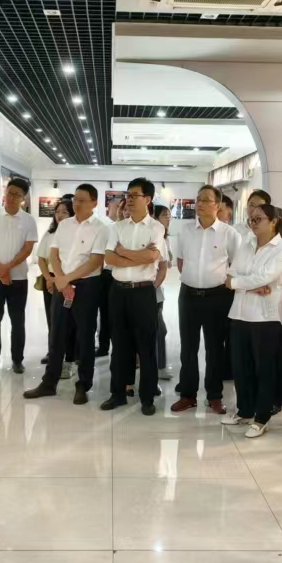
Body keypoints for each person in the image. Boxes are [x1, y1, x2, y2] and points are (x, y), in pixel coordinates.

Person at [24, 183, 113, 404]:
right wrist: (62, 281)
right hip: (62, 284)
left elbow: (95, 261)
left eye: (82, 200)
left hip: (87, 287)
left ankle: (83, 384)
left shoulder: (102, 228)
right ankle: (49, 383)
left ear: (94, 202)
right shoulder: (64, 225)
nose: (76, 203)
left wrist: (66, 279)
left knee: (85, 336)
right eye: (75, 199)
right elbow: (54, 254)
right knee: (56, 334)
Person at [223, 202, 282, 437]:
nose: (253, 223)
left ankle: (262, 417)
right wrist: (250, 285)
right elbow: (231, 274)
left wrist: (240, 284)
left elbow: (265, 276)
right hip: (239, 313)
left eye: (258, 219)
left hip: (266, 317)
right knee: (241, 366)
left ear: (273, 222)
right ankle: (244, 410)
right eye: (251, 219)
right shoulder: (246, 244)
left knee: (265, 369)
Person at [170, 184, 241, 413]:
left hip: (218, 296)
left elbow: (237, 265)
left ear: (217, 205)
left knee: (215, 348)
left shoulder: (229, 234)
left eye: (205, 200)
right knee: (188, 348)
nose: (199, 203)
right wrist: (193, 279)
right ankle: (188, 395)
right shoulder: (185, 231)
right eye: (198, 199)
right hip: (188, 295)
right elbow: (180, 261)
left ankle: (214, 396)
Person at [101, 177, 167, 414]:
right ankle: (117, 393)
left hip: (143, 292)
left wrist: (123, 252)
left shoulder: (156, 228)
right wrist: (136, 256)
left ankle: (147, 397)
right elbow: (109, 258)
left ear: (147, 199)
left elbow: (152, 257)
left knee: (146, 346)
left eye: (134, 195)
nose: (129, 199)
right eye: (127, 195)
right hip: (118, 292)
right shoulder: (117, 227)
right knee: (119, 345)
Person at [0, 176, 38, 374]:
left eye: (17, 195)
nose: (12, 197)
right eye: (10, 193)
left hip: (18, 279)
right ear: (5, 192)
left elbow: (27, 249)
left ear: (23, 198)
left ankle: (17, 360)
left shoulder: (29, 220)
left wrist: (7, 268)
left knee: (17, 321)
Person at [36, 196, 75, 367]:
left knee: (71, 319)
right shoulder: (50, 234)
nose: (60, 215)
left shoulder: (76, 233)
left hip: (70, 279)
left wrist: (62, 280)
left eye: (64, 212)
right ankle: (52, 351)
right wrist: (49, 278)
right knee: (52, 318)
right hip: (51, 279)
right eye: (57, 212)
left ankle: (72, 353)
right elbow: (41, 258)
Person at [95, 193, 124, 357]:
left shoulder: (130, 228)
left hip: (124, 275)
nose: (122, 210)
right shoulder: (105, 226)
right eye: (119, 207)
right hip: (106, 274)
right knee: (105, 312)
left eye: (124, 207)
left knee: (120, 314)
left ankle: (120, 348)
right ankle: (103, 346)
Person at [153, 203, 173, 379]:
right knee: (159, 329)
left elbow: (167, 264)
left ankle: (159, 366)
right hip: (147, 289)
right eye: (164, 215)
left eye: (169, 215)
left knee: (159, 330)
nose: (168, 219)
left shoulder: (165, 238)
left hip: (157, 291)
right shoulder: (154, 237)